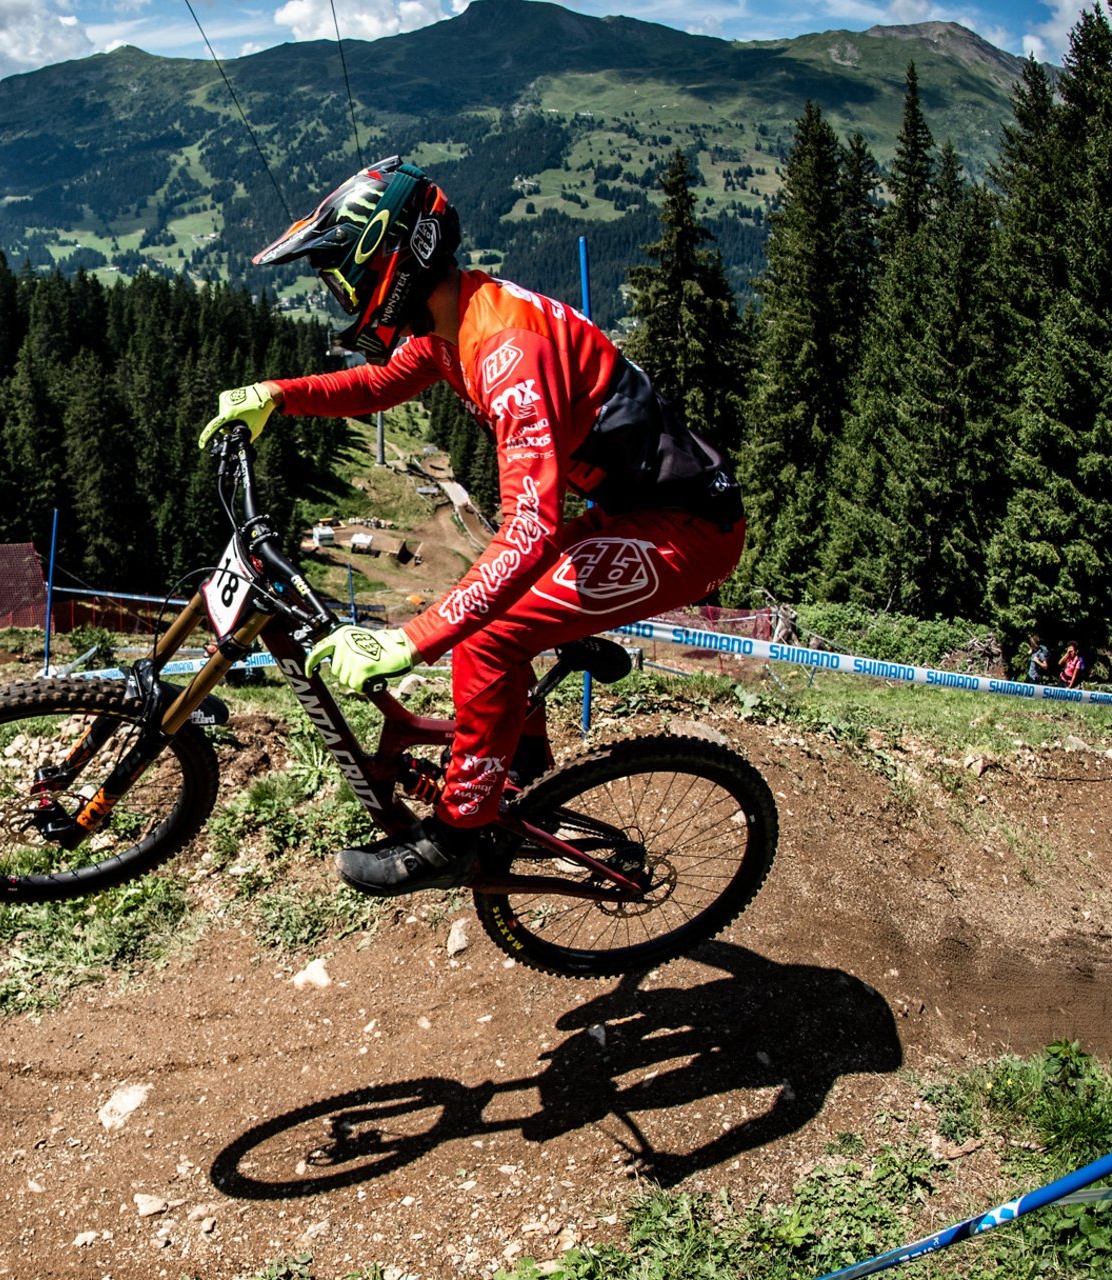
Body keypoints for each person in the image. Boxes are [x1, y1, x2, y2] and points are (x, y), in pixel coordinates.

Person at [201, 157, 744, 896]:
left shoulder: (506, 349)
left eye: (340, 278)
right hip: (631, 510)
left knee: (484, 637)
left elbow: (527, 526)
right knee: (500, 616)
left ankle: (456, 834)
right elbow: (376, 384)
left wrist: (410, 638)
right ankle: (518, 765)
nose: (335, 295)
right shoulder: (453, 317)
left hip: (687, 530)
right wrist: (278, 396)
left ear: (388, 261)